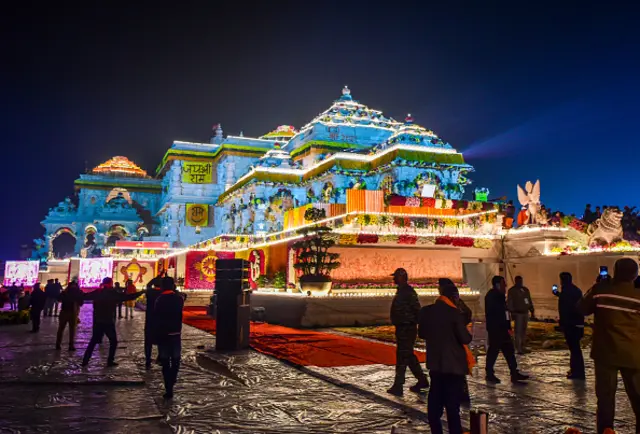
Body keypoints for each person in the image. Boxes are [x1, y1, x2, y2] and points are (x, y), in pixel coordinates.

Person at [579, 258, 640, 434]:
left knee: (605, 399)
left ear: (614, 271)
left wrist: (596, 286)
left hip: (605, 354)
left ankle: (606, 430)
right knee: (637, 398)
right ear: (635, 275)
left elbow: (582, 308)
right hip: (633, 354)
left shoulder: (601, 291)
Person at [420, 282, 473, 434]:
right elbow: (465, 338)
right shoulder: (454, 313)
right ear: (454, 297)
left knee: (435, 405)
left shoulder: (427, 311)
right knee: (452, 407)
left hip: (436, 365)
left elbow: (422, 333)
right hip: (453, 366)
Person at [82, 277, 144, 367]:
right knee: (113, 341)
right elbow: (126, 297)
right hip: (108, 321)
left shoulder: (98, 292)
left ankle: (85, 360)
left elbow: (85, 296)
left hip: (98, 320)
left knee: (93, 341)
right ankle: (110, 360)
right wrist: (140, 293)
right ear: (111, 283)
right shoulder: (112, 293)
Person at [387, 268, 429, 397]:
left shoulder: (408, 292)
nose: (393, 279)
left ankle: (398, 385)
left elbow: (417, 310)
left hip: (407, 328)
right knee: (408, 355)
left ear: (402, 277)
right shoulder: (402, 291)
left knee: (402, 356)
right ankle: (422, 380)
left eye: (396, 277)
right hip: (403, 327)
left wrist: (414, 323)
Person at [485, 275, 529, 384]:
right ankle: (489, 373)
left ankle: (514, 373)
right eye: (503, 284)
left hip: (503, 329)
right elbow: (497, 313)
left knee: (509, 351)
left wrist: (508, 326)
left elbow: (505, 313)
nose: (505, 286)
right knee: (493, 351)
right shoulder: (492, 296)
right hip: (496, 329)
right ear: (498, 285)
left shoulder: (500, 296)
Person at [154, 276, 184, 399]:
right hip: (175, 333)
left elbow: (156, 316)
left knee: (165, 363)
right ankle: (173, 378)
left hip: (163, 334)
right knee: (176, 360)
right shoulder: (179, 299)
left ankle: (168, 388)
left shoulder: (159, 300)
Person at [555, 272, 585, 380]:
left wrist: (562, 324)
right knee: (576, 348)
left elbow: (564, 309)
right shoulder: (576, 290)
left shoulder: (566, 292)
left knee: (574, 349)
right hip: (578, 323)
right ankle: (576, 370)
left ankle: (577, 372)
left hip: (570, 324)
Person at [507, 276, 535, 354]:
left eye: (521, 281)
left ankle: (523, 346)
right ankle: (518, 347)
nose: (520, 283)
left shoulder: (525, 290)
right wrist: (512, 312)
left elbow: (528, 300)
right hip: (517, 313)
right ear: (516, 281)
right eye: (518, 281)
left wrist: (531, 310)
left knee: (524, 330)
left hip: (525, 312)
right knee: (518, 331)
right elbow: (510, 302)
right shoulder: (512, 291)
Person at [145, 273, 165, 369]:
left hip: (150, 320)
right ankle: (160, 357)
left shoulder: (150, 292)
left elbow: (148, 285)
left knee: (148, 342)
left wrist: (156, 278)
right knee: (161, 340)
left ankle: (148, 360)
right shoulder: (163, 293)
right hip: (160, 320)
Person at [56, 281, 83, 351]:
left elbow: (59, 298)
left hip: (64, 311)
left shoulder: (65, 292)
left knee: (61, 329)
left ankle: (58, 344)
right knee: (72, 330)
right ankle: (71, 345)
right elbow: (81, 303)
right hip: (72, 312)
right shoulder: (78, 292)